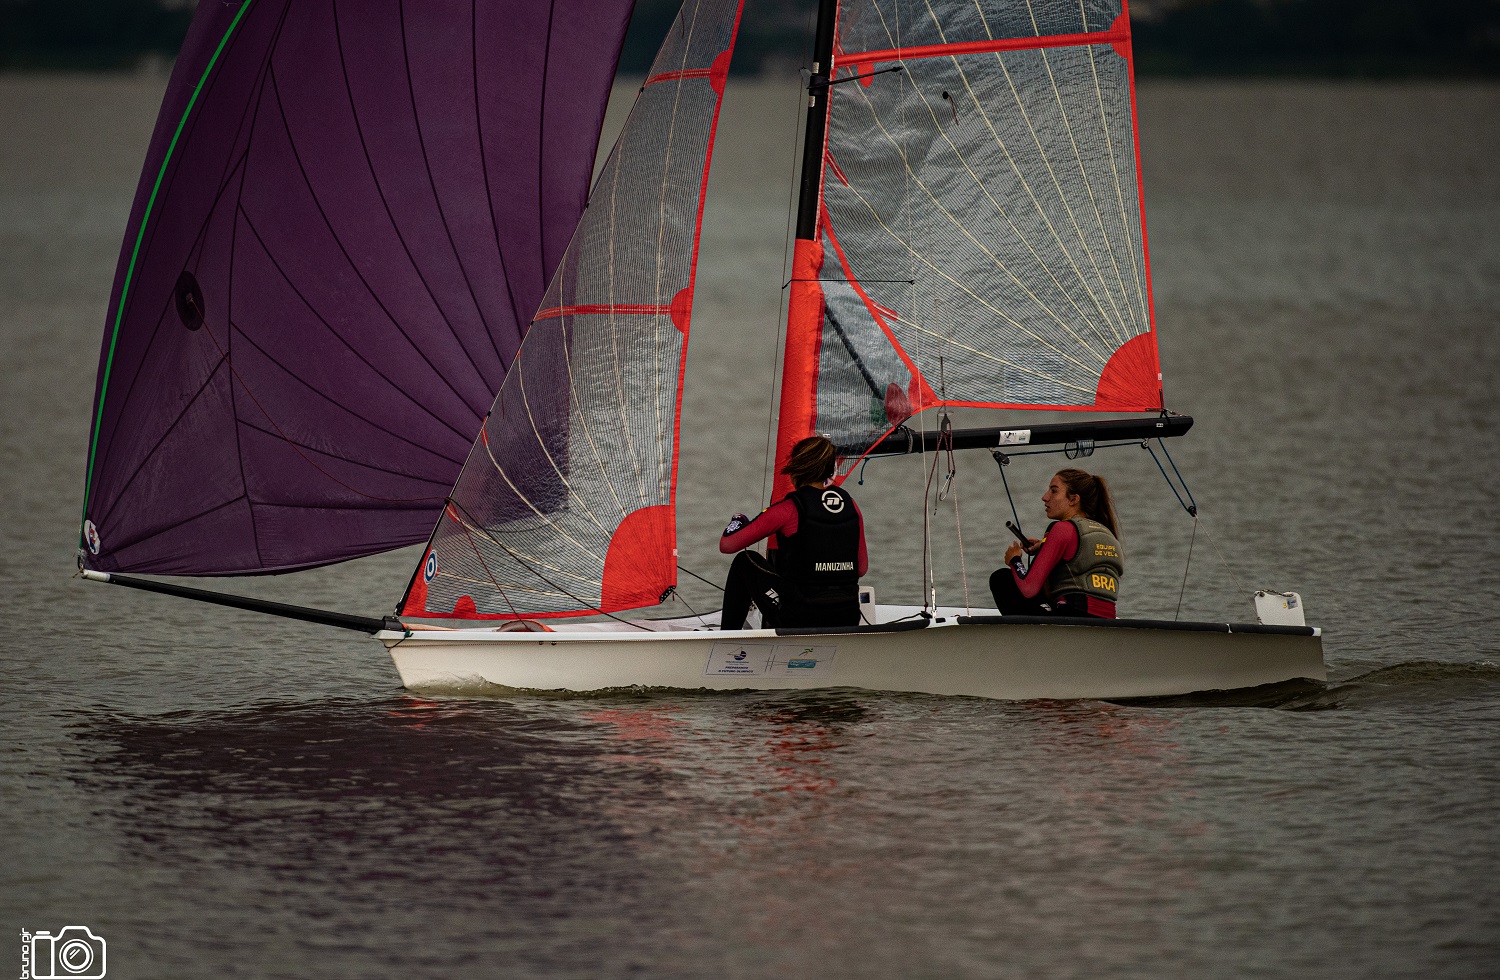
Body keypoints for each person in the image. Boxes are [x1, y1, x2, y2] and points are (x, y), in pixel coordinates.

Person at [718, 436, 868, 630]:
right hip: (847, 617)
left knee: (745, 561)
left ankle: (727, 638)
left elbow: (727, 545)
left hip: (799, 620)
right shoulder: (851, 505)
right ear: (830, 470)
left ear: (796, 469)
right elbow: (861, 569)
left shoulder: (789, 509)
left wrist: (738, 521)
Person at [990, 468, 1123, 619]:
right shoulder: (1107, 533)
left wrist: (1015, 561)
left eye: (1054, 491)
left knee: (1001, 579)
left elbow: (1029, 589)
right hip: (1107, 620)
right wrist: (1045, 547)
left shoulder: (1062, 529)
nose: (1045, 497)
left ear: (1073, 499)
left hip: (1073, 618)